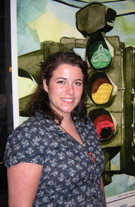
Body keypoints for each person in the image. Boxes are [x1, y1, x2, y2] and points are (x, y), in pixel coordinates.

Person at [4, 51, 106, 207]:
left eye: (77, 83)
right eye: (61, 82)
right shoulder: (30, 136)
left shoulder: (85, 126)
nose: (70, 91)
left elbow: (96, 178)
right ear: (46, 85)